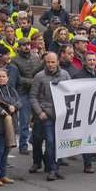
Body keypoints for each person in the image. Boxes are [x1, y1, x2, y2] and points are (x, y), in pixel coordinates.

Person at [30, 52, 70, 180]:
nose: (51, 65)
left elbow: (71, 92)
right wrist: (39, 112)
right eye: (48, 62)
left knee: (58, 143)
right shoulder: (39, 76)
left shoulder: (64, 75)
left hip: (61, 115)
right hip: (46, 114)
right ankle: (51, 168)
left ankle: (54, 167)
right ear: (45, 63)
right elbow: (33, 96)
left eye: (53, 62)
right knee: (50, 142)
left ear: (58, 62)